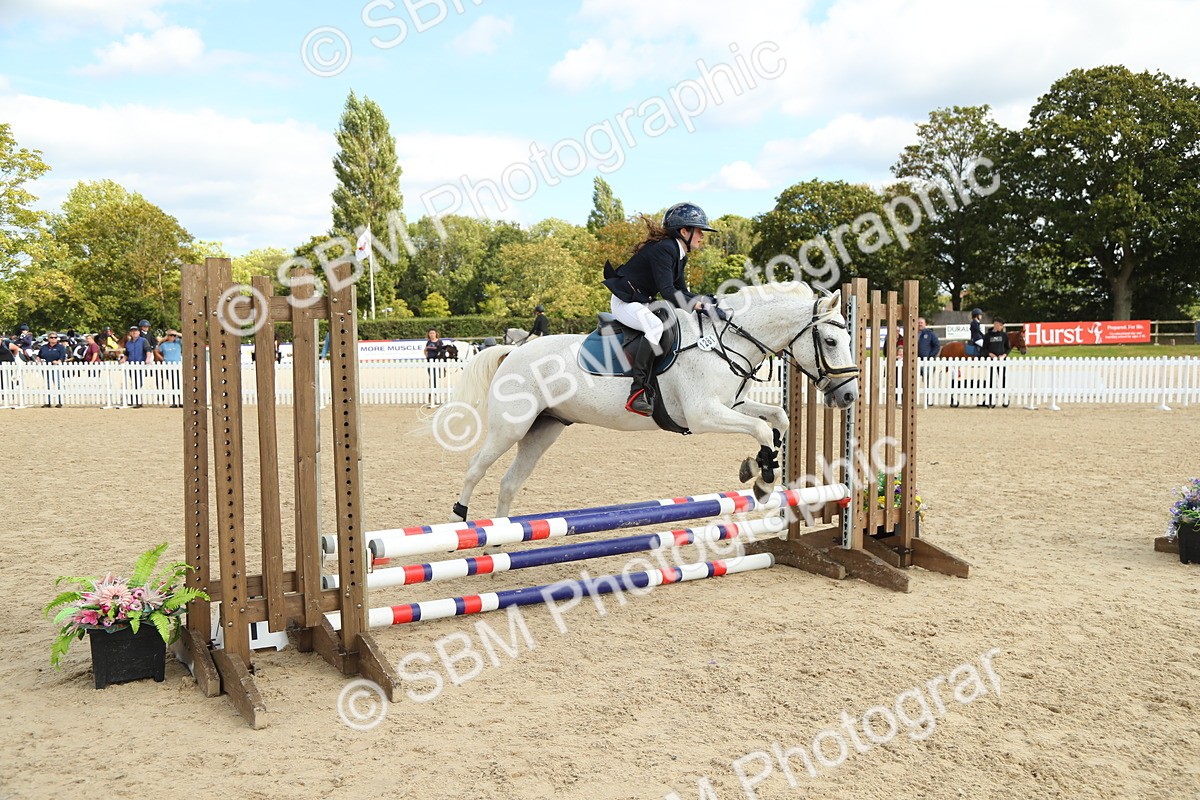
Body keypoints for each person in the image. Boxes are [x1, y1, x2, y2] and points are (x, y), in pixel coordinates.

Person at [601, 202, 722, 416]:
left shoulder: (678, 253)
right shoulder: (665, 249)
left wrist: (706, 301)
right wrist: (699, 305)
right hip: (625, 302)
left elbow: (681, 290)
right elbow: (668, 292)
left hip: (641, 301)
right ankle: (636, 392)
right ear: (684, 231)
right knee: (655, 326)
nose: (703, 236)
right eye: (699, 231)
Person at [980, 318, 1012, 408]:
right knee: (991, 380)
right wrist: (990, 354)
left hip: (1002, 361)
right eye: (1000, 325)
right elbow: (984, 349)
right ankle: (990, 399)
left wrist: (1004, 355)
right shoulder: (987, 336)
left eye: (1002, 325)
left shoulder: (1004, 335)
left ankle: (1005, 399)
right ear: (995, 324)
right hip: (991, 361)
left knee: (1003, 379)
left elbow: (1008, 347)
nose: (1001, 327)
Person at [119, 325, 153, 407]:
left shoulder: (143, 341)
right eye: (132, 331)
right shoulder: (128, 343)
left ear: (138, 332)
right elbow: (127, 354)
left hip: (140, 364)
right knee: (132, 382)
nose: (134, 332)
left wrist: (148, 359)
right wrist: (124, 359)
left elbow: (148, 350)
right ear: (130, 333)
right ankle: (132, 399)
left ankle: (138, 401)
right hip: (131, 365)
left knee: (138, 382)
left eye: (136, 331)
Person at [37, 331, 67, 407]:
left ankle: (59, 402)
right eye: (51, 337)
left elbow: (62, 356)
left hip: (56, 367)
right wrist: (38, 360)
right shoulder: (44, 347)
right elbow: (39, 355)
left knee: (57, 384)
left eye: (55, 337)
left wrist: (58, 361)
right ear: (48, 338)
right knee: (48, 385)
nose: (53, 339)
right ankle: (48, 402)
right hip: (46, 367)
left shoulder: (60, 347)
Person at [156, 329, 183, 407]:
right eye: (171, 335)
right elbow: (156, 351)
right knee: (172, 384)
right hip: (168, 366)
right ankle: (174, 401)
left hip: (177, 366)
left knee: (178, 384)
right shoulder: (164, 345)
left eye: (174, 336)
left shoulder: (178, 343)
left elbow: (185, 337)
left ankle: (181, 401)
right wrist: (162, 359)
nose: (172, 337)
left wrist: (177, 333)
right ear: (167, 336)